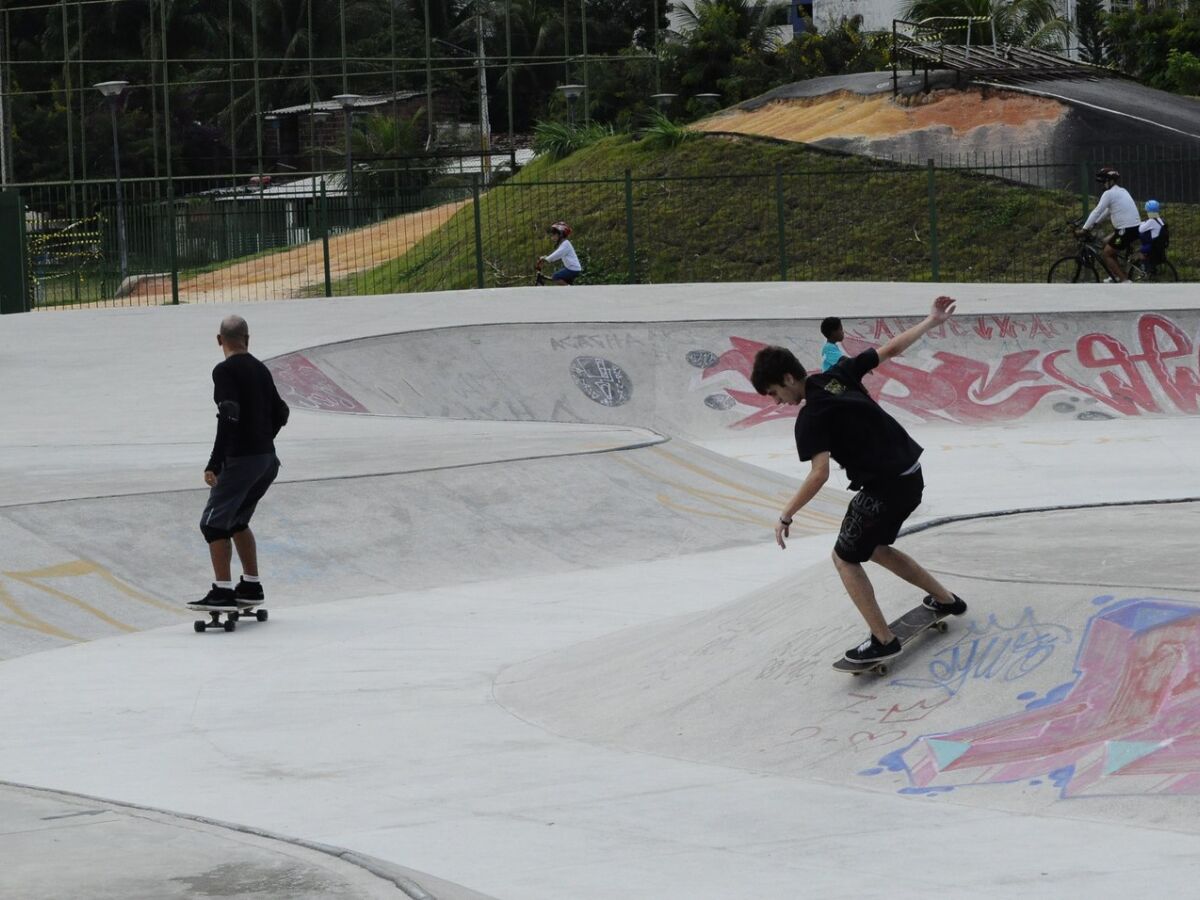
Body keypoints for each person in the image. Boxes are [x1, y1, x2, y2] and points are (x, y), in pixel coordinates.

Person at [750, 296, 967, 665]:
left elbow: (818, 474)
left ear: (787, 379)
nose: (776, 402)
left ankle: (883, 640)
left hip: (885, 487)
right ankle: (946, 598)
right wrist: (931, 321)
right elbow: (890, 349)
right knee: (875, 546)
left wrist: (786, 515)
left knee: (844, 558)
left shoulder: (810, 418)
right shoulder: (836, 375)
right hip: (911, 474)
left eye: (774, 393)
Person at [189, 315, 290, 610]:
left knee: (212, 523)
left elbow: (229, 413)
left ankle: (222, 590)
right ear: (248, 338)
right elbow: (282, 412)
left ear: (219, 340)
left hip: (242, 460)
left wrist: (215, 462)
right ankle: (251, 586)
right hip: (267, 460)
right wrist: (262, 439)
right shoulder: (261, 369)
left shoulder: (224, 371)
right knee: (237, 521)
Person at [1078, 167, 1140, 283]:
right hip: (1130, 228)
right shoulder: (1122, 191)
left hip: (1126, 230)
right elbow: (1107, 211)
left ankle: (1124, 280)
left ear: (1110, 181)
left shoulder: (1109, 194)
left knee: (1106, 253)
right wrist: (1095, 224)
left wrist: (1085, 229)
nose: (1103, 185)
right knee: (1106, 242)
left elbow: (1097, 211)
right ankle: (1116, 275)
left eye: (1104, 181)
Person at [537, 221, 582, 285]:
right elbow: (556, 254)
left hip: (573, 269)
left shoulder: (565, 244)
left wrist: (546, 259)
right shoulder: (564, 244)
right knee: (562, 280)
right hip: (572, 268)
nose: (552, 236)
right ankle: (569, 290)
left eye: (554, 234)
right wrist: (546, 257)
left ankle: (571, 290)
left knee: (556, 277)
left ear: (560, 234)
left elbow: (557, 254)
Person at [1137, 199, 1168, 273]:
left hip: (1153, 246)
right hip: (1159, 245)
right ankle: (1151, 266)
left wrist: (1141, 223)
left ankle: (1146, 269)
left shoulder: (1151, 221)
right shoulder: (1159, 219)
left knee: (1140, 251)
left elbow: (1141, 229)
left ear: (1148, 211)